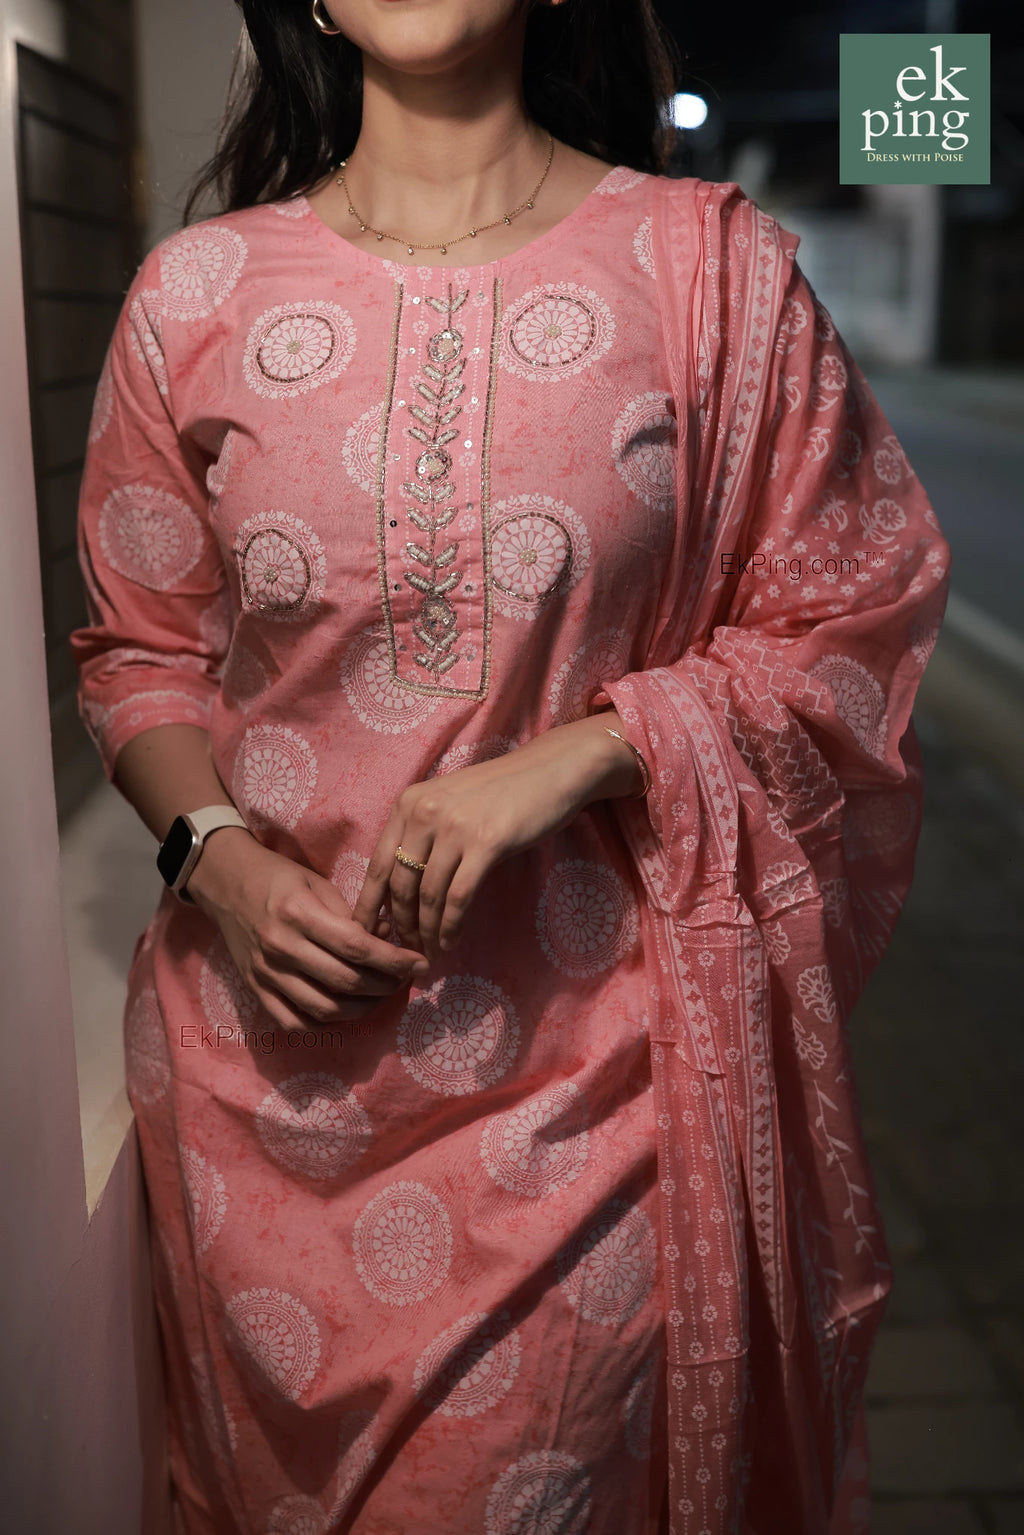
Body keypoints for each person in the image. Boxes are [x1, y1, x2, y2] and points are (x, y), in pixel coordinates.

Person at [70, 1, 950, 1531]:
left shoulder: (708, 274)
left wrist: (582, 758)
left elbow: (848, 622)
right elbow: (137, 652)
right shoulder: (193, 296)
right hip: (261, 1099)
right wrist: (215, 856)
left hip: (592, 1089)